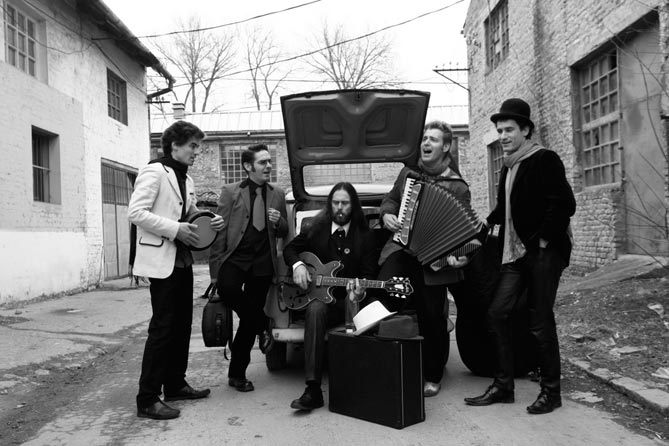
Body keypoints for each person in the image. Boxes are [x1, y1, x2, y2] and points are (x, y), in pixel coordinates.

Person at [464, 98, 576, 414]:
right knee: (497, 313)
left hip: (544, 252)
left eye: (509, 130)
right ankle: (503, 386)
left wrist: (541, 240)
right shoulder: (509, 165)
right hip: (515, 254)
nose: (503, 136)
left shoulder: (544, 159)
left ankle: (551, 392)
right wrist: (482, 229)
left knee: (540, 320)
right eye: (500, 131)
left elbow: (564, 205)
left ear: (525, 130)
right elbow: (503, 209)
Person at [129, 120, 224, 420]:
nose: (196, 152)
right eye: (193, 146)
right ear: (175, 145)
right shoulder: (154, 171)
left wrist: (209, 219)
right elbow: (136, 212)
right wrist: (175, 229)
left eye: (198, 146)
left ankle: (175, 384)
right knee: (162, 328)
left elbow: (188, 212)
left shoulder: (187, 178)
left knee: (182, 325)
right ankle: (147, 398)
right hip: (162, 260)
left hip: (182, 260)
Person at [378, 120, 472, 398]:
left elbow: (465, 233)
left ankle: (433, 373)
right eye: (424, 139)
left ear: (446, 146)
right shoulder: (408, 174)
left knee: (432, 316)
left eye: (433, 139)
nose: (426, 143)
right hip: (404, 249)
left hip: (435, 259)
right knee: (381, 290)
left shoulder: (458, 187)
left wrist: (459, 256)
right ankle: (385, 358)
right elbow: (391, 200)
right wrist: (387, 215)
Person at [283, 182, 378, 411]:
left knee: (360, 307)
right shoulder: (316, 228)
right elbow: (289, 249)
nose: (340, 207)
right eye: (335, 203)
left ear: (353, 205)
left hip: (348, 301)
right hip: (318, 299)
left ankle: (357, 388)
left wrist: (361, 290)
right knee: (315, 309)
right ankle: (313, 389)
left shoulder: (365, 236)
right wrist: (298, 266)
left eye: (345, 203)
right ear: (330, 204)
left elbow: (369, 275)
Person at [208, 144, 288, 393]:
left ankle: (237, 375)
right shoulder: (231, 192)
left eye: (269, 161)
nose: (268, 166)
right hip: (235, 259)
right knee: (229, 290)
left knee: (246, 323)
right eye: (263, 162)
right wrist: (214, 272)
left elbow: (284, 231)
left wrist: (279, 221)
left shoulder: (278, 193)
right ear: (248, 166)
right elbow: (219, 231)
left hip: (263, 263)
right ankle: (263, 322)